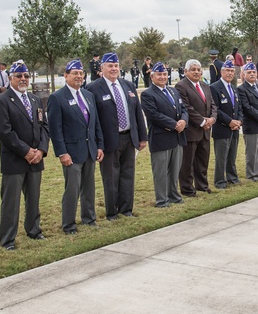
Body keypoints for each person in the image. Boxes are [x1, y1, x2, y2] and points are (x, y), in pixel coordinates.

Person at [0, 62, 49, 249]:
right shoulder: (2, 100)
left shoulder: (34, 99)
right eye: (18, 76)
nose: (23, 79)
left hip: (36, 159)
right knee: (11, 202)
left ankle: (34, 230)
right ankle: (8, 239)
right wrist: (26, 151)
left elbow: (44, 127)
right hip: (15, 159)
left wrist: (40, 150)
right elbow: (4, 131)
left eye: (25, 76)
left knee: (33, 198)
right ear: (10, 79)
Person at [86, 52, 147, 220]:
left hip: (129, 138)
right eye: (110, 66)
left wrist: (142, 136)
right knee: (111, 178)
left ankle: (126, 209)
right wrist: (98, 143)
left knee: (128, 174)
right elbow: (93, 120)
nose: (113, 69)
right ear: (102, 67)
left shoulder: (127, 85)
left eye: (116, 66)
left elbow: (137, 113)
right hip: (108, 140)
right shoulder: (93, 88)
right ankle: (112, 212)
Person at [47, 59, 104, 234]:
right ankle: (69, 224)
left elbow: (95, 124)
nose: (79, 76)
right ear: (65, 76)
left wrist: (99, 145)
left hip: (89, 150)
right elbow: (55, 129)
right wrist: (62, 152)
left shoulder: (88, 96)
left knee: (89, 187)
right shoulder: (57, 98)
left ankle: (89, 218)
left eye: (81, 73)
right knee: (72, 190)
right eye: (75, 73)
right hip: (71, 152)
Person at [140, 62, 188, 207]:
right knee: (160, 171)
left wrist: (184, 121)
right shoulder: (147, 94)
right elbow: (154, 115)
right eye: (159, 74)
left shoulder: (173, 91)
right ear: (152, 76)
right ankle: (162, 199)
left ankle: (173, 195)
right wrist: (174, 124)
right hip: (161, 137)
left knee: (174, 170)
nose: (162, 77)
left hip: (177, 137)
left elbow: (184, 108)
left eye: (165, 74)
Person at [176, 58, 217, 196]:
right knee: (188, 162)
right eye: (193, 69)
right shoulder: (181, 86)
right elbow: (187, 108)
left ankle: (202, 186)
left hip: (206, 131)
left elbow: (212, 105)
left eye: (199, 69)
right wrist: (202, 122)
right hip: (192, 131)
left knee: (202, 161)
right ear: (186, 71)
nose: (196, 72)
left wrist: (212, 119)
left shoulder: (205, 86)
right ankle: (187, 189)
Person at [210, 59, 242, 189]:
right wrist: (229, 121)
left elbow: (239, 108)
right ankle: (220, 181)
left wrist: (239, 121)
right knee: (221, 157)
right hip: (222, 128)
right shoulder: (214, 87)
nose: (229, 73)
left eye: (232, 71)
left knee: (232, 156)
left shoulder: (234, 88)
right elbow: (215, 109)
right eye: (227, 71)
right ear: (222, 71)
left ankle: (232, 177)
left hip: (235, 128)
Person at [237, 61, 258, 181]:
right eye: (249, 72)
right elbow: (247, 107)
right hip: (252, 125)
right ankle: (252, 175)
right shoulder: (241, 89)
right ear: (244, 74)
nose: (252, 74)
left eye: (254, 72)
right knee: (252, 152)